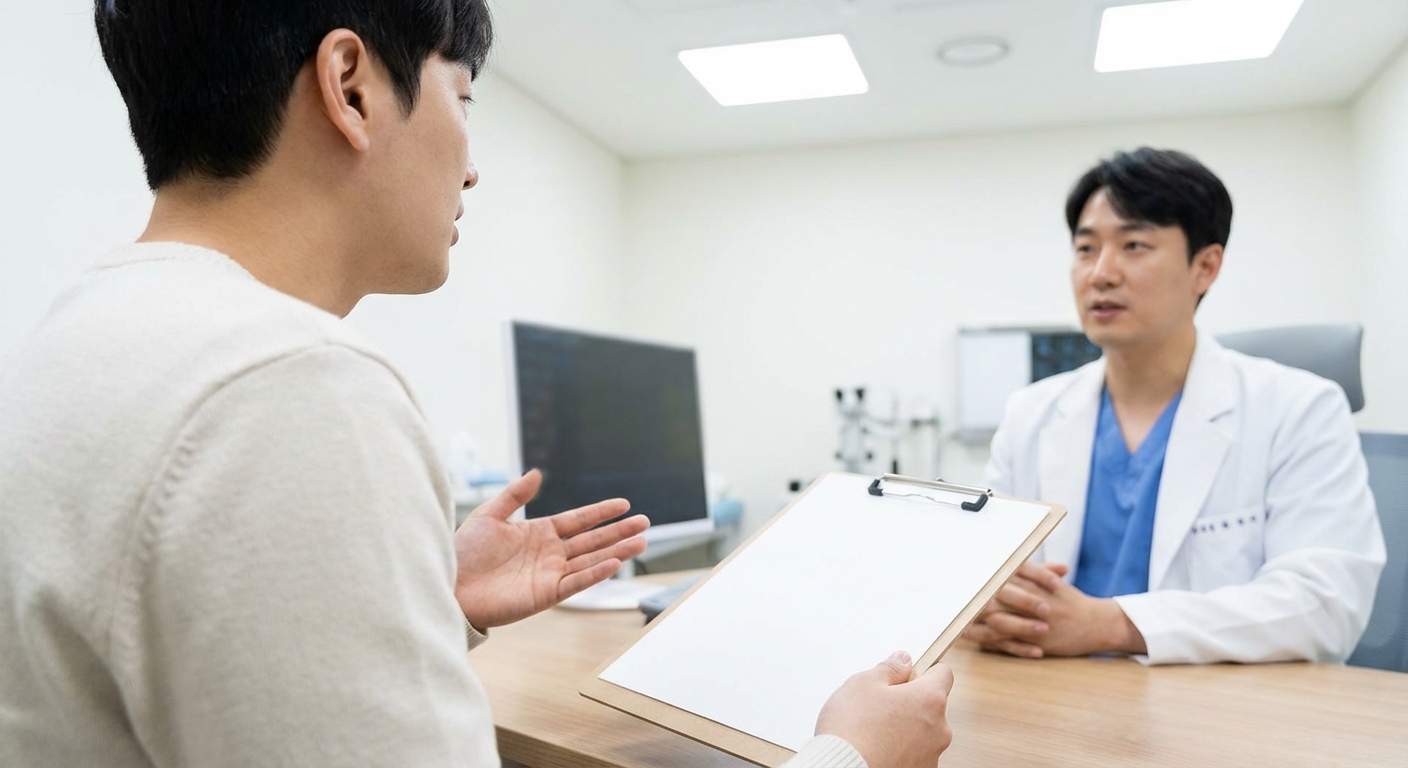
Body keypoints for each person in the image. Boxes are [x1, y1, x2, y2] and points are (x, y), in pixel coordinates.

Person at [0, 2, 954, 767]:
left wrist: (424, 604)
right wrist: (853, 754)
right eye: (462, 98)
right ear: (350, 87)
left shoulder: (80, 335)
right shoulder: (292, 386)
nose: (473, 169)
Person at [966, 148, 1386, 666]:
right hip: (1052, 694)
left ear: (1204, 268)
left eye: (1134, 245)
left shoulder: (1300, 410)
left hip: (1215, 703)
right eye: (1086, 248)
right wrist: (981, 605)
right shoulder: (1030, 414)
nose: (1101, 273)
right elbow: (983, 574)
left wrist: (1110, 624)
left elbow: (1326, 603)